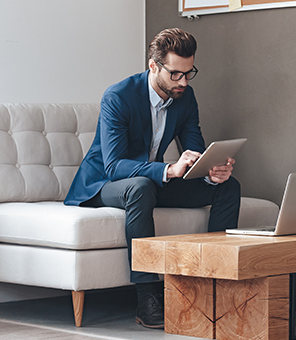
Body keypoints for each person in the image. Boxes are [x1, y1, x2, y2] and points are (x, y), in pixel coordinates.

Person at [64, 28, 241, 329]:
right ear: (154, 66)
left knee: (228, 188)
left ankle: (214, 285)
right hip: (104, 185)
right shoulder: (118, 96)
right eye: (175, 74)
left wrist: (210, 171)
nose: (183, 82)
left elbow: (194, 147)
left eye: (189, 73)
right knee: (141, 187)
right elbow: (115, 166)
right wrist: (167, 170)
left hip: (149, 182)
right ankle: (147, 295)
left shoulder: (185, 96)